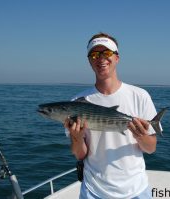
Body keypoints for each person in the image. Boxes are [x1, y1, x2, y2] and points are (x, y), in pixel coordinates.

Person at [64, 32, 160, 199]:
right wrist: (77, 138)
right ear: (89, 61)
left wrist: (141, 136)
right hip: (94, 191)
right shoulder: (77, 103)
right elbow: (80, 155)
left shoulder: (140, 95)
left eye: (106, 53)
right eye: (94, 54)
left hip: (136, 191)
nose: (100, 59)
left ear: (117, 58)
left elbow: (151, 148)